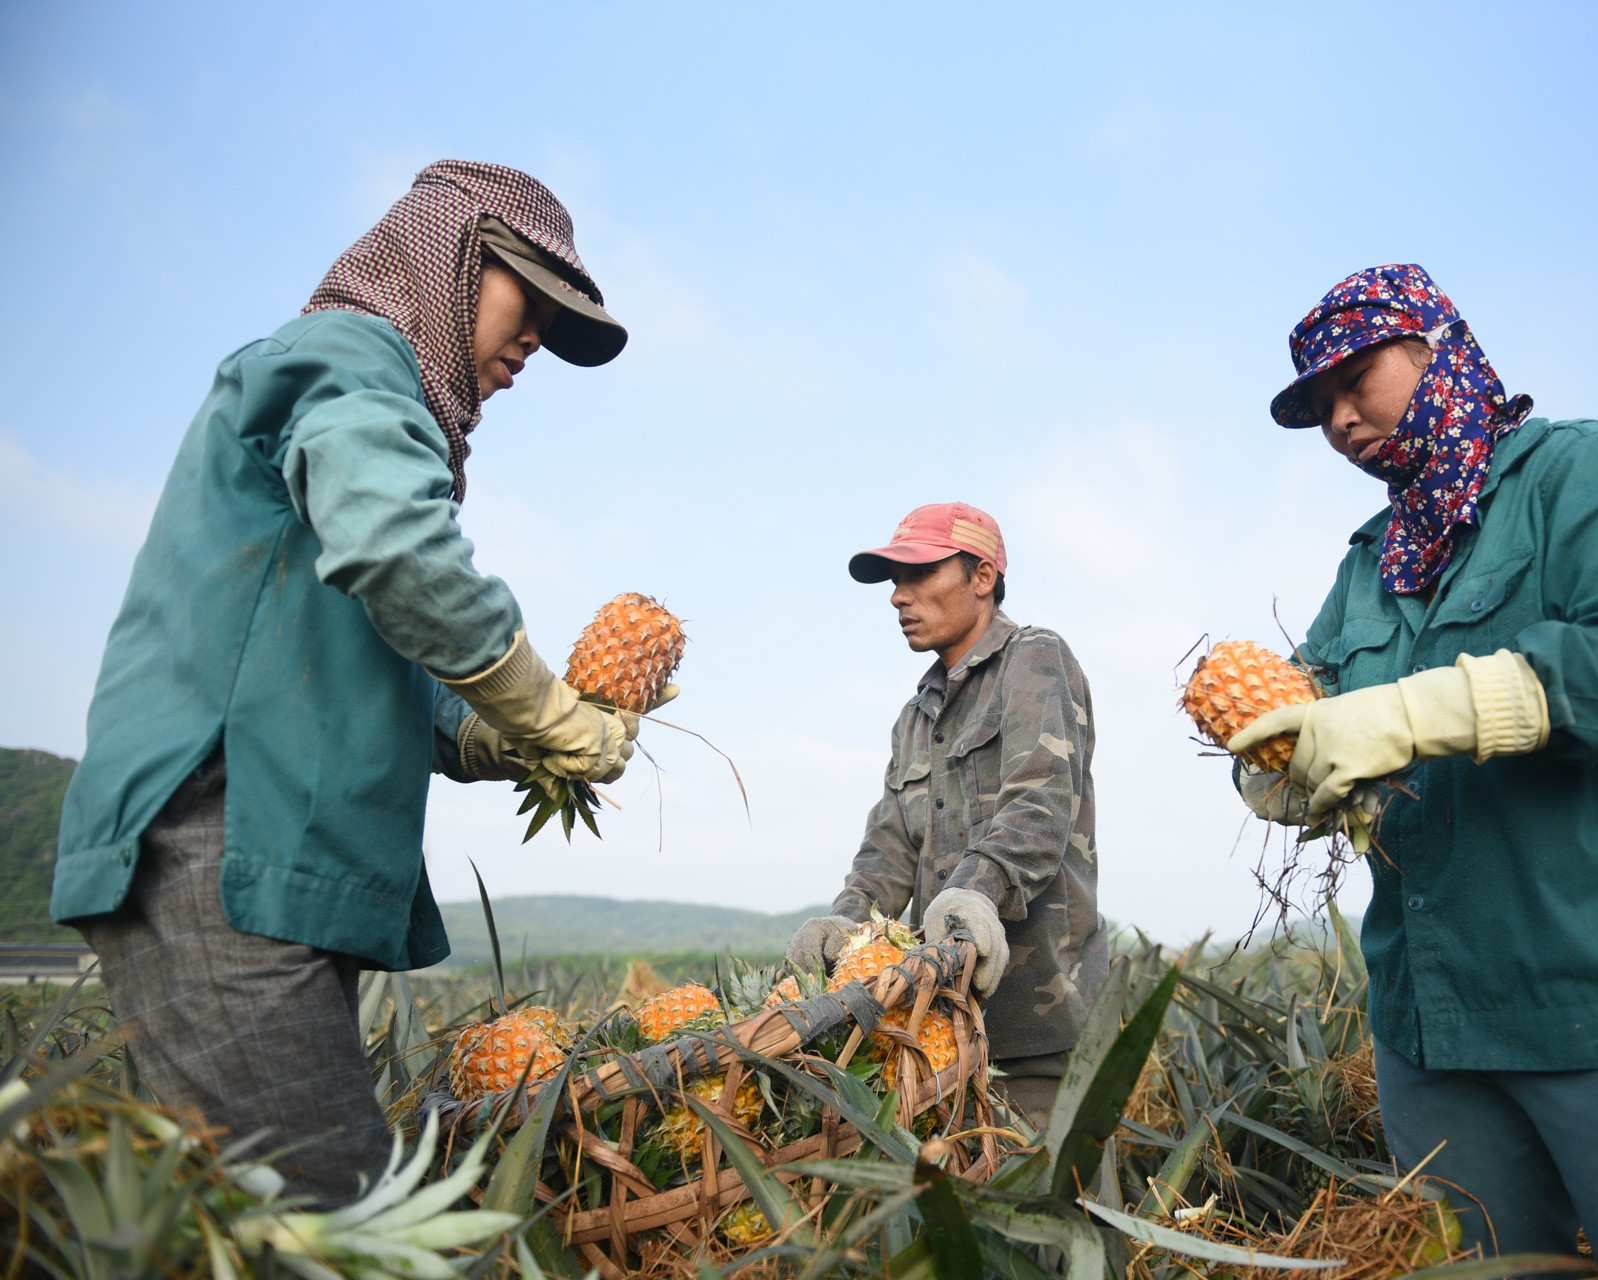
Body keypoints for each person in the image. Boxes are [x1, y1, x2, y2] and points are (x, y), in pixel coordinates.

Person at [50, 161, 669, 1205]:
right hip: (226, 849)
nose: (533, 348)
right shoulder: (351, 354)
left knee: (262, 1230)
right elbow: (395, 547)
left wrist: (498, 736)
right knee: (346, 1229)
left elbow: (385, 664)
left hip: (262, 864)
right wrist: (551, 710)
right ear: (454, 256)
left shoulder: (362, 404)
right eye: (530, 305)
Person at [1227, 266, 1598, 1273]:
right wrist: (1276, 772)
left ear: (1439, 345)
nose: (1344, 420)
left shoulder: (1581, 476)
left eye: (1358, 379)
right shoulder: (1370, 563)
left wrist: (1410, 712)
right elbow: (1309, 717)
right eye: (1321, 409)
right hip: (1431, 1025)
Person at [786, 503, 1105, 1127]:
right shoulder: (915, 717)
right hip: (939, 1031)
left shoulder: (1033, 659)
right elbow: (887, 851)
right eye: (892, 582)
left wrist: (975, 893)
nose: (898, 597)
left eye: (919, 574)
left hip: (1039, 1024)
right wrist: (845, 924)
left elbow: (1038, 803)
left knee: (1051, 1207)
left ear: (981, 576)